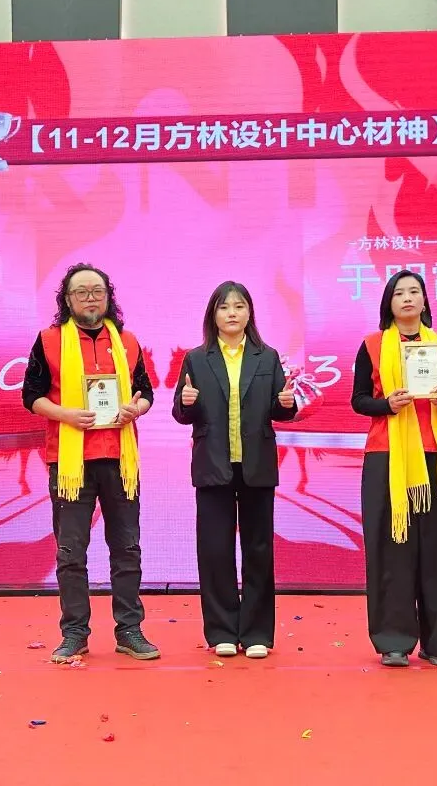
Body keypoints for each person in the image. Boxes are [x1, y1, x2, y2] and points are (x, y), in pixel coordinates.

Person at [22, 263, 160, 663]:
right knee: (71, 552)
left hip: (119, 460)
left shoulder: (128, 341)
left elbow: (145, 392)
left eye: (97, 291)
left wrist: (135, 409)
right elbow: (31, 396)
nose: (90, 298)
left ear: (108, 297)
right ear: (67, 300)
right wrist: (65, 414)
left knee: (127, 548)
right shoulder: (48, 341)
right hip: (70, 464)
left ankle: (129, 630)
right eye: (81, 292)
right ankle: (74, 633)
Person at [172, 281, 298, 659]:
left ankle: (257, 632)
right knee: (215, 550)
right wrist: (186, 402)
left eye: (239, 306)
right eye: (224, 307)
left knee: (258, 549)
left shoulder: (267, 356)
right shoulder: (197, 359)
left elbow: (279, 409)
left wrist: (286, 403)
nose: (232, 313)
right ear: (213, 314)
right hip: (213, 464)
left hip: (256, 463)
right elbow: (181, 413)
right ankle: (222, 631)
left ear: (249, 313)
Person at [351, 269, 437, 668]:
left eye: (414, 291)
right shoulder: (372, 345)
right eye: (399, 293)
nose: (407, 298)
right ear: (389, 302)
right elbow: (359, 400)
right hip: (388, 456)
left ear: (424, 300)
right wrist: (388, 404)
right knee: (391, 549)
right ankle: (394, 641)